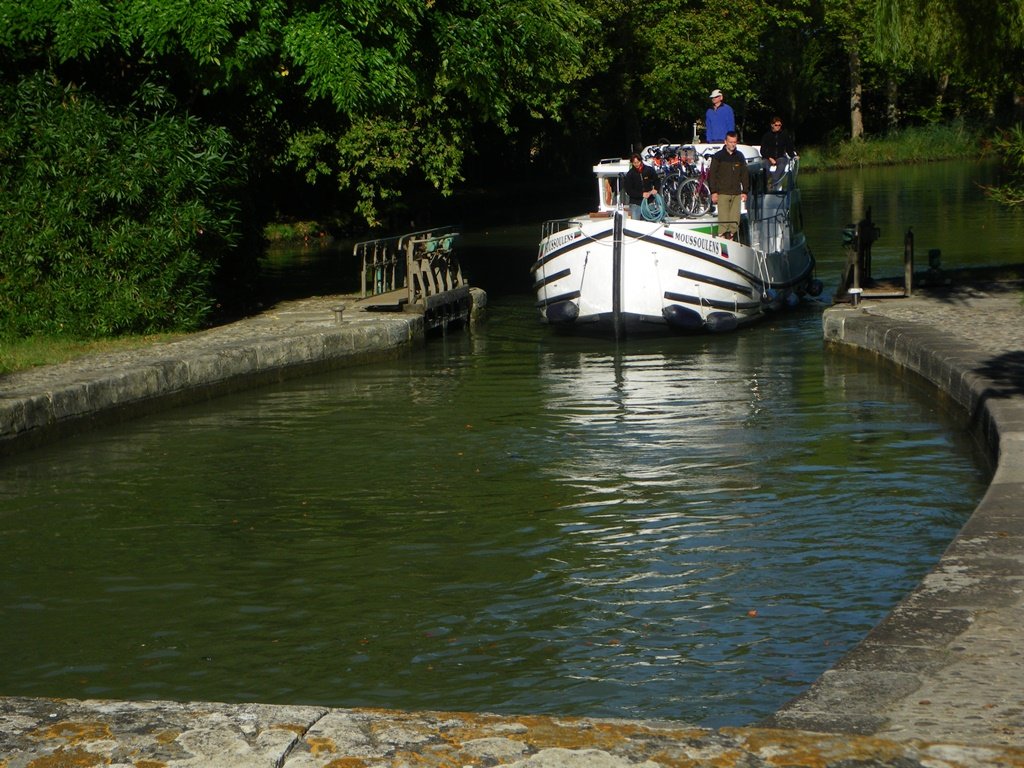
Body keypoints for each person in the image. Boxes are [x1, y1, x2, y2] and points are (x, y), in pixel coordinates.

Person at [707, 131, 749, 240]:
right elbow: (712, 175)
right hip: (722, 193)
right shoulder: (718, 156)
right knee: (723, 222)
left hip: (736, 193)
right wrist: (714, 192)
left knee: (734, 222)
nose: (732, 144)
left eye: (734, 142)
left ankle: (732, 239)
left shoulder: (740, 156)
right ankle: (721, 240)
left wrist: (745, 191)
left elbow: (744, 175)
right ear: (725, 142)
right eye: (730, 142)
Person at [759, 116, 798, 189]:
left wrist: (793, 156)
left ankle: (774, 184)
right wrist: (770, 158)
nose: (778, 127)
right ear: (772, 125)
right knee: (765, 167)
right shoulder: (767, 136)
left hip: (780, 157)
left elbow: (789, 148)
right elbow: (762, 150)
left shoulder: (785, 135)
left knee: (782, 165)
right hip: (768, 157)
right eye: (776, 125)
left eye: (779, 125)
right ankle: (763, 186)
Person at [623, 153, 660, 218]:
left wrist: (656, 189)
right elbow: (629, 190)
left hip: (649, 201)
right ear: (632, 163)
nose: (636, 164)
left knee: (652, 221)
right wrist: (641, 194)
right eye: (634, 163)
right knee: (635, 224)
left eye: (638, 162)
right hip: (635, 203)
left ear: (641, 161)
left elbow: (657, 180)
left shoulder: (649, 170)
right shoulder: (630, 174)